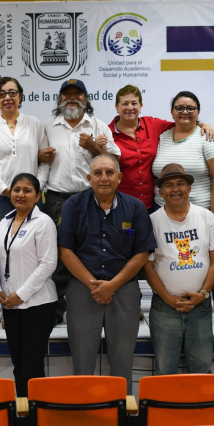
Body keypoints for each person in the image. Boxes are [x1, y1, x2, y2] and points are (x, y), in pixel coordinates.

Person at [58, 154, 156, 395]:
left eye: (109, 172)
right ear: (89, 178)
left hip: (124, 289)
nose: (104, 178)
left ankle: (122, 416)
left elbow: (142, 253)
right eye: (98, 173)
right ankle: (85, 415)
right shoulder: (73, 205)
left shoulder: (135, 208)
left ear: (119, 177)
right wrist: (95, 286)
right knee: (82, 360)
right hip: (83, 288)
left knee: (123, 360)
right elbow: (65, 250)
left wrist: (112, 285)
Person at [43, 79, 120, 324]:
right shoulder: (48, 127)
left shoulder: (99, 127)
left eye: (78, 94)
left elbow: (114, 162)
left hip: (93, 198)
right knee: (58, 254)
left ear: (86, 99)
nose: (72, 98)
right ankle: (56, 308)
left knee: (93, 249)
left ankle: (94, 300)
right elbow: (40, 159)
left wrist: (93, 148)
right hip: (57, 197)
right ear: (59, 99)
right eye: (67, 94)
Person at [145, 163, 214, 375]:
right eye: (169, 185)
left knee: (202, 369)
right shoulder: (151, 222)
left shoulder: (207, 217)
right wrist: (168, 298)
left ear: (190, 188)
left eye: (181, 183)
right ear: (160, 192)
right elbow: (148, 267)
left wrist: (203, 293)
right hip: (164, 308)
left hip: (201, 307)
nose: (175, 189)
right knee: (164, 372)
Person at [0, 173, 58, 396]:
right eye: (16, 189)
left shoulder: (43, 222)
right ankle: (22, 414)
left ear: (38, 196)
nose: (20, 194)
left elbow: (48, 264)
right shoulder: (4, 221)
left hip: (38, 305)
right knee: (18, 365)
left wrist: (21, 294)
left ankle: (35, 418)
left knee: (32, 366)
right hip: (11, 306)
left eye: (27, 190)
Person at [110, 85, 214, 212]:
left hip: (151, 205)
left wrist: (204, 124)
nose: (130, 108)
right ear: (116, 107)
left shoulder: (153, 125)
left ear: (141, 106)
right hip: (122, 204)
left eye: (134, 103)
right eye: (125, 103)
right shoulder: (107, 133)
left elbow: (183, 122)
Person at [0, 77, 50, 234]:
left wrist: (36, 188)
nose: (7, 97)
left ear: (20, 96)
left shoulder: (34, 123)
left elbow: (45, 161)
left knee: (33, 238)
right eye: (2, 94)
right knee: (3, 240)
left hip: (30, 196)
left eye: (12, 92)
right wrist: (6, 190)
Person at [152, 91, 214, 213]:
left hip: (200, 211)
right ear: (172, 113)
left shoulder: (207, 136)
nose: (185, 112)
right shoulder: (162, 137)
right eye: (179, 108)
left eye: (191, 108)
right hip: (162, 210)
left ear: (198, 112)